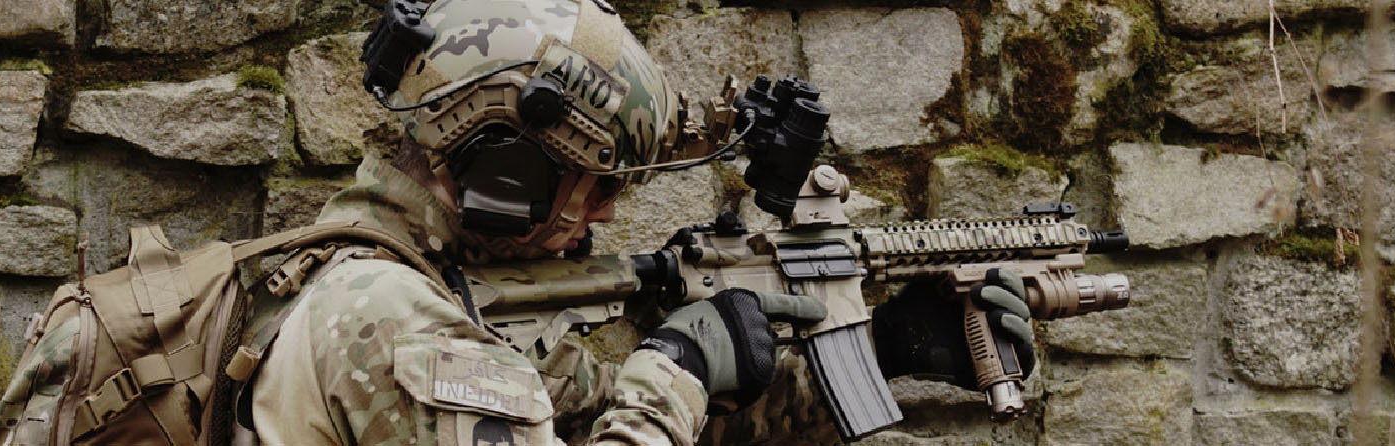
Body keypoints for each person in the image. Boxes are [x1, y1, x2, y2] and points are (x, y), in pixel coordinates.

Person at [243, 0, 1036, 445]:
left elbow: (608, 413)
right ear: (507, 170)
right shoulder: (391, 320)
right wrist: (675, 365)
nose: (608, 211)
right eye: (594, 184)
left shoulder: (425, 287)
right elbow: (650, 406)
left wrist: (885, 350)